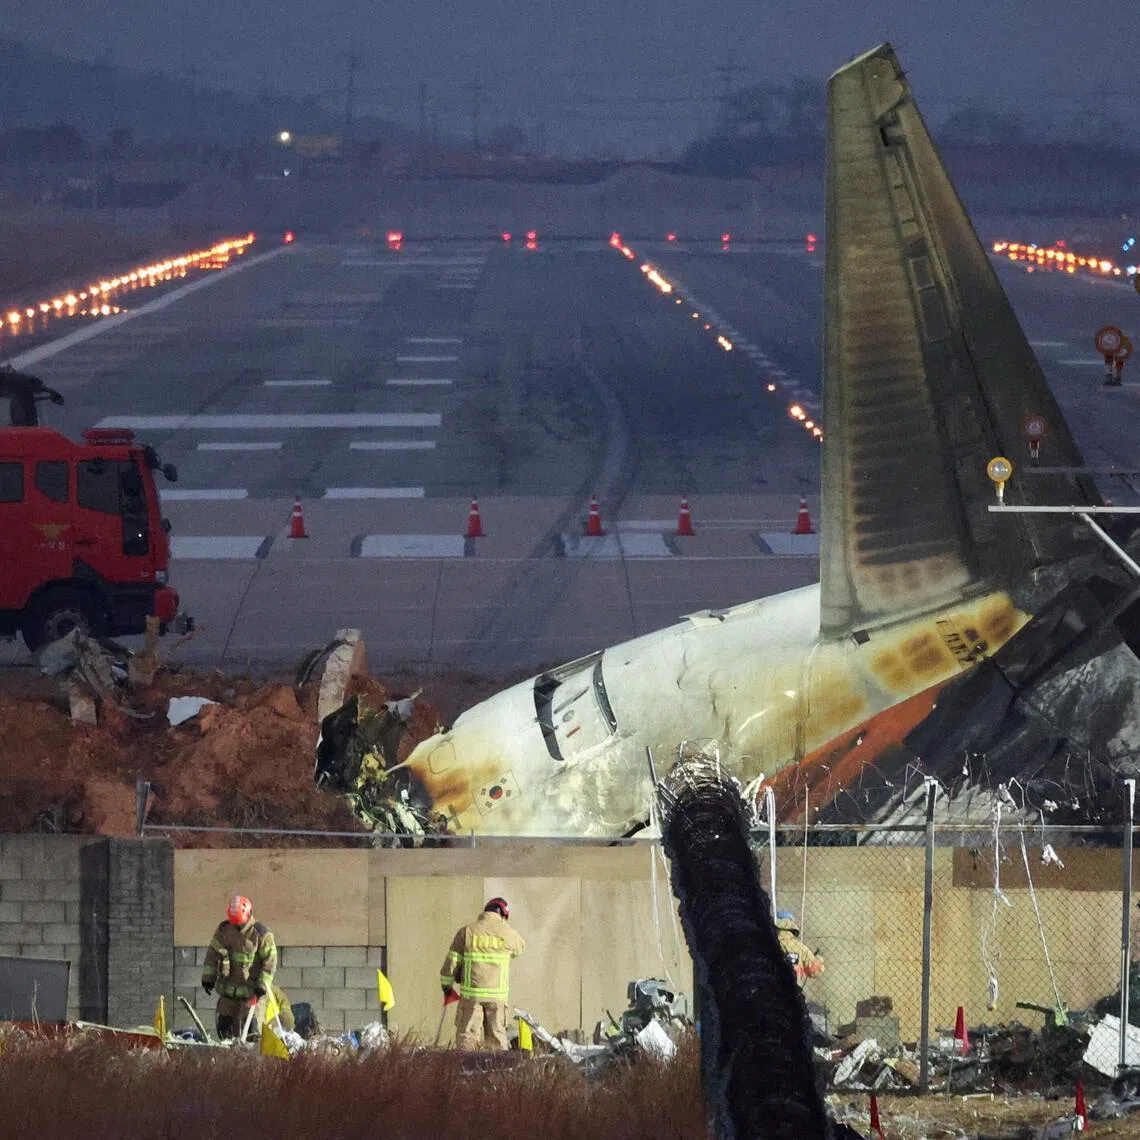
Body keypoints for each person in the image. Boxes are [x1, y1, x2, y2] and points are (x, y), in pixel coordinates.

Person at [439, 896, 525, 1050]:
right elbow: (520, 948)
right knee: (497, 1042)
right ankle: (500, 1073)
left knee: (467, 1040)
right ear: (503, 914)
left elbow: (451, 963)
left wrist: (447, 986)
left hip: (472, 997)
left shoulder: (467, 932)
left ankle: (466, 1073)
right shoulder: (508, 933)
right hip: (497, 998)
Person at [201, 893, 278, 1039]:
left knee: (251, 1033)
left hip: (252, 995)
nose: (237, 926)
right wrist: (208, 977)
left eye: (239, 923)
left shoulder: (261, 934)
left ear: (249, 915)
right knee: (224, 1029)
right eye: (234, 922)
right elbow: (213, 953)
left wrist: (262, 986)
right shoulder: (224, 930)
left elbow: (270, 961)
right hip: (228, 993)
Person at [775, 911, 824, 984]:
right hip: (792, 990)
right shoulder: (799, 947)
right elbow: (815, 971)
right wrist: (819, 958)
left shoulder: (766, 943)